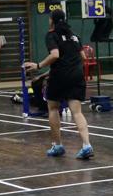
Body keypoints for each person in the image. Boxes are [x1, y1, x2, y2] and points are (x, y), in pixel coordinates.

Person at [24, 9, 94, 159]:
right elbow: (83, 57)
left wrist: (38, 65)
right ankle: (87, 145)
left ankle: (57, 145)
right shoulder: (74, 36)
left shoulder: (51, 35)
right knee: (77, 112)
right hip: (77, 75)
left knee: (53, 108)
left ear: (52, 21)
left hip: (60, 77)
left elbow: (55, 55)